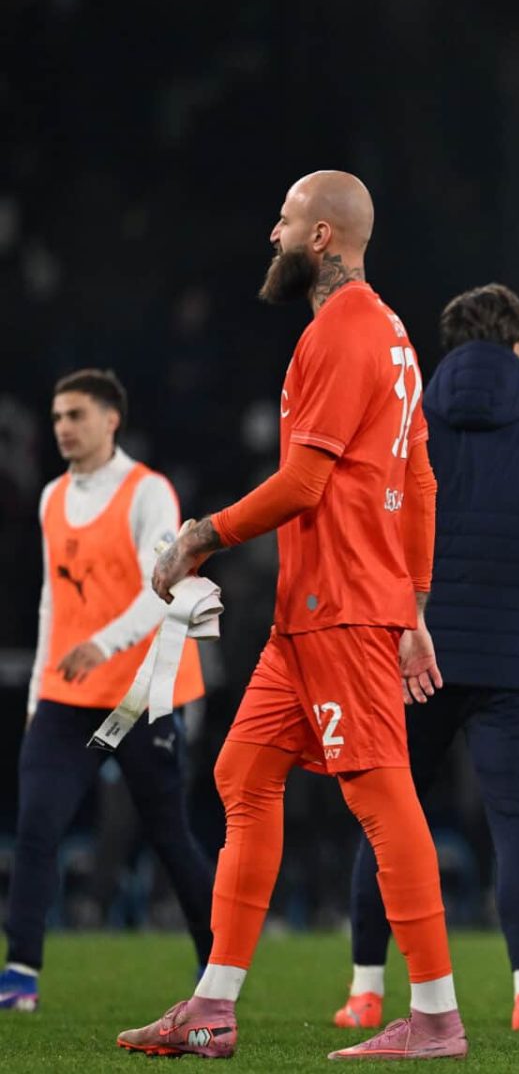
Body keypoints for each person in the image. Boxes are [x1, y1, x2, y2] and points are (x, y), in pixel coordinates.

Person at [117, 170, 466, 1061]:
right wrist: (416, 605)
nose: (270, 234)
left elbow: (306, 483)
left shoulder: (339, 333)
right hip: (322, 610)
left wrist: (200, 535)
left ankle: (433, 1018)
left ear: (321, 237)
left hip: (338, 605)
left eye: (282, 220)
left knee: (383, 798)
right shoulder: (391, 335)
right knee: (243, 776)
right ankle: (213, 1006)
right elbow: (417, 480)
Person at [332, 283, 519, 1033]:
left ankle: (364, 990)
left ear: (449, 347)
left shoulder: (400, 429)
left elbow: (359, 538)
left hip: (404, 654)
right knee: (517, 824)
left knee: (387, 822)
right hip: (515, 658)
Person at [0, 370, 214, 1014]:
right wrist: (41, 690)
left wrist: (105, 643)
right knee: (38, 822)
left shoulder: (149, 492)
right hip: (68, 697)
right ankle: (20, 974)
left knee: (168, 833)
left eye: (76, 415)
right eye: (58, 416)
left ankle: (219, 967)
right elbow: (51, 601)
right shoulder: (50, 499)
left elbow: (165, 589)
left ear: (110, 420)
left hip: (139, 696)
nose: (63, 426)